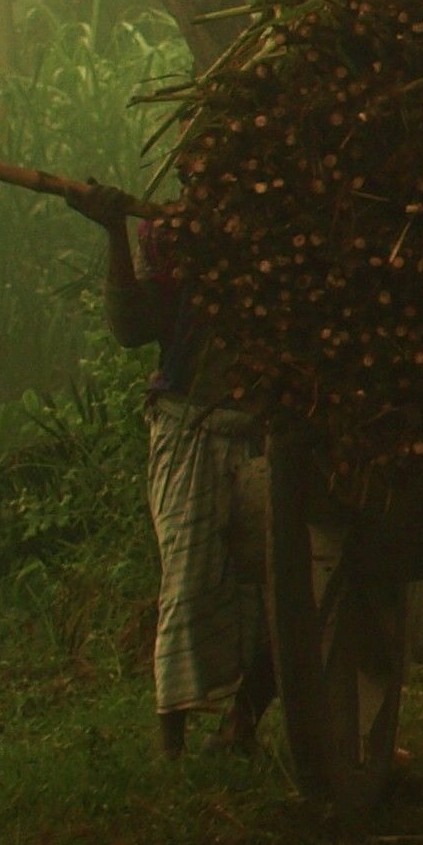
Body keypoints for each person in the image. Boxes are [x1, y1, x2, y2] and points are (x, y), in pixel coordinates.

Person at [78, 187, 271, 760]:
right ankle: (173, 745)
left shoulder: (281, 233)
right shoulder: (169, 236)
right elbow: (131, 328)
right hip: (188, 428)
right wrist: (114, 231)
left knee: (278, 593)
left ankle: (242, 724)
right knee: (186, 584)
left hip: (264, 433)